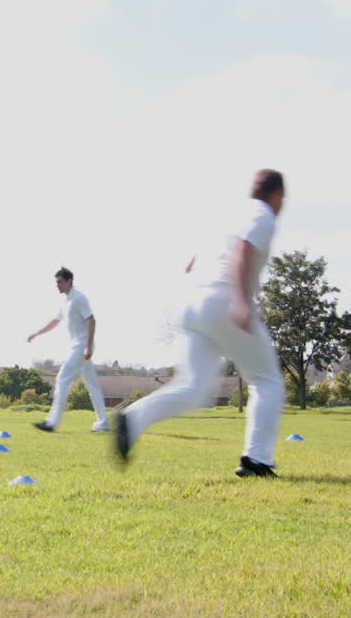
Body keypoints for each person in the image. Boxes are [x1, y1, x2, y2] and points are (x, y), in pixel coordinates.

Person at [114, 169, 286, 478]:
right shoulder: (263, 215)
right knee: (266, 379)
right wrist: (242, 300)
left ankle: (132, 418)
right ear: (276, 195)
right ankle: (257, 459)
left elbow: (191, 264)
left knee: (194, 388)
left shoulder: (226, 217)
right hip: (222, 299)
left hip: (192, 303)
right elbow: (244, 251)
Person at [28, 267, 110, 432]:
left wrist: (88, 346)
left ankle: (52, 422)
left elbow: (92, 320)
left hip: (82, 345)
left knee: (62, 378)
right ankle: (103, 423)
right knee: (92, 386)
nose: (57, 285)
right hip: (78, 346)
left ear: (69, 281)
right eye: (56, 282)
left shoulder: (79, 298)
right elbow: (55, 321)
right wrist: (37, 333)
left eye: (59, 282)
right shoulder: (65, 301)